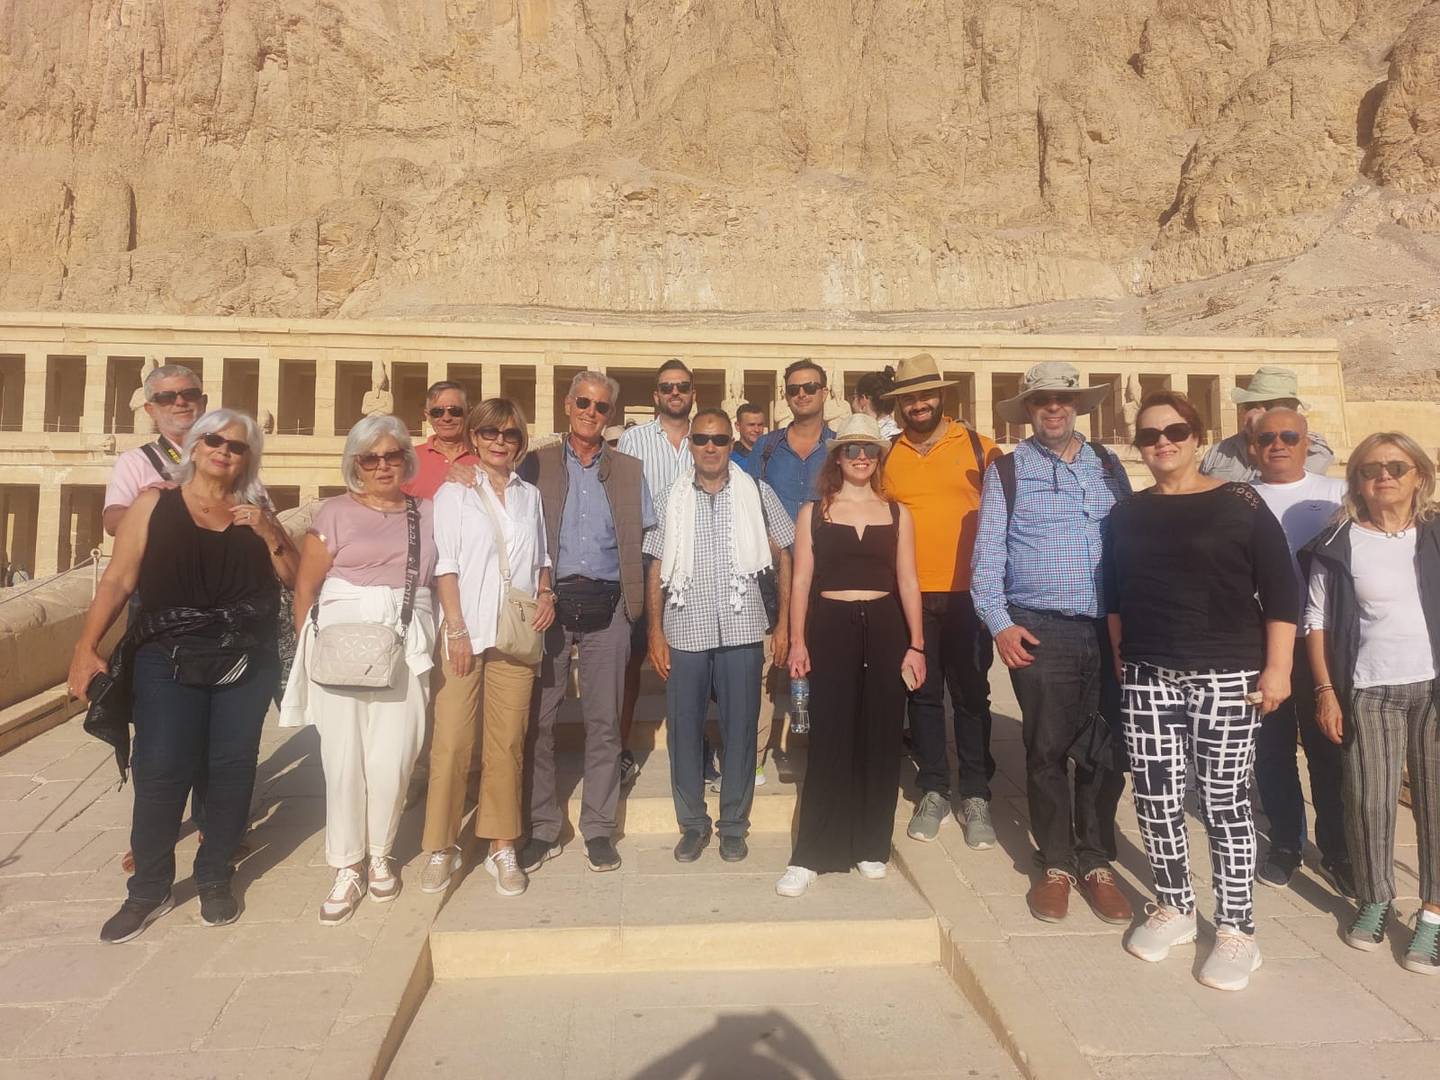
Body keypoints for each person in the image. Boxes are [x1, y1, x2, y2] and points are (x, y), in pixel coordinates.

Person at [68, 409, 297, 942]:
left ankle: (215, 874)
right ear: (194, 446)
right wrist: (85, 646)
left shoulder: (256, 512)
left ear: (248, 458)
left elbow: (292, 576)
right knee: (161, 768)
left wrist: (269, 531)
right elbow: (118, 579)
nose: (224, 451)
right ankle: (148, 889)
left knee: (231, 768)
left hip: (243, 656)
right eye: (214, 440)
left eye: (237, 446)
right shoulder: (153, 504)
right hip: (166, 652)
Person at [1105, 390, 1298, 992]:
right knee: (1155, 795)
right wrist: (1121, 659)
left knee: (1223, 801)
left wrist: (1278, 669)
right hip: (1149, 671)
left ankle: (1238, 930)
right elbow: (1114, 594)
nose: (1162, 443)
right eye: (1149, 435)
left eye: (1175, 432)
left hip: (1225, 670)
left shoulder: (1240, 501)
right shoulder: (1127, 512)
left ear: (1197, 437)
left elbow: (1282, 590)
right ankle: (1176, 905)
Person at [971, 363, 1133, 924]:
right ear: (1029, 411)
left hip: (1109, 626)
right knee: (1046, 750)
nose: (1054, 409)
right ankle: (1057, 863)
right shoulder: (1008, 471)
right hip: (1042, 626)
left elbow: (1130, 544)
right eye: (1042, 401)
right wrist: (1000, 623)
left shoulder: (1107, 465)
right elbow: (988, 557)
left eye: (1063, 399)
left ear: (1078, 406)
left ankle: (1097, 859)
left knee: (1107, 749)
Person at [283, 416, 439, 925]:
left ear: (406, 460)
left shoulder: (427, 513)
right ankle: (347, 864)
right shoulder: (333, 512)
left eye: (392, 456)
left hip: (404, 639)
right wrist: (308, 653)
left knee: (394, 757)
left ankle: (380, 854)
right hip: (340, 644)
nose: (382, 466)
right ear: (355, 464)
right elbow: (305, 589)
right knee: (343, 759)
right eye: (371, 458)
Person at [1302, 432, 1440, 975]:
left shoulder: (1435, 533)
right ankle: (1376, 897)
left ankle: (1433, 914)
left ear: (1419, 475)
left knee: (1436, 803)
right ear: (1356, 479)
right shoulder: (1339, 542)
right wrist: (1325, 691)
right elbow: (1316, 620)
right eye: (1370, 468)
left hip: (1434, 688)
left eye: (1397, 467)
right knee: (1369, 801)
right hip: (1369, 688)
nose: (1384, 476)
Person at [776, 414, 926, 896]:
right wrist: (798, 641)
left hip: (885, 627)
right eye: (851, 450)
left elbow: (908, 580)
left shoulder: (898, 514)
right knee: (830, 736)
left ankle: (870, 843)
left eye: (869, 450)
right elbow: (801, 580)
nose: (861, 458)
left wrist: (917, 644)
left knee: (880, 735)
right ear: (837, 457)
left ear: (878, 457)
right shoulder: (813, 512)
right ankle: (812, 854)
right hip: (830, 627)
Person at [417, 400, 554, 896]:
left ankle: (501, 844)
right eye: (491, 432)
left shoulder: (528, 495)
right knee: (452, 740)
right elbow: (446, 565)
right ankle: (441, 845)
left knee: (507, 741)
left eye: (510, 434)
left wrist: (546, 593)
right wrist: (455, 630)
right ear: (474, 438)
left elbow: (541, 558)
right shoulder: (455, 491)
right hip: (467, 631)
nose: (500, 441)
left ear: (520, 441)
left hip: (514, 632)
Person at [645, 408, 794, 863]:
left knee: (741, 730)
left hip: (743, 627)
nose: (710, 447)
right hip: (685, 629)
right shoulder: (670, 497)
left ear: (732, 444)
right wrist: (655, 631)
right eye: (702, 439)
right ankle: (692, 824)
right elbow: (656, 565)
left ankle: (732, 825)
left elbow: (786, 553)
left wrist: (784, 624)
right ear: (690, 444)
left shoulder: (757, 492)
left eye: (719, 439)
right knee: (684, 731)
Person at [518, 371, 652, 875]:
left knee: (604, 721)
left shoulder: (629, 471)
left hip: (608, 604)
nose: (591, 412)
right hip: (549, 604)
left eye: (601, 406)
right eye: (583, 402)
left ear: (610, 415)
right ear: (567, 404)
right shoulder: (537, 463)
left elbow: (644, 537)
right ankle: (542, 826)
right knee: (540, 721)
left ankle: (598, 827)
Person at [881, 353, 1002, 849]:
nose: (918, 404)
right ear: (900, 404)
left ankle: (976, 793)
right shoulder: (888, 455)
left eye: (926, 394)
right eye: (909, 397)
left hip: (970, 592)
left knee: (972, 696)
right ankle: (933, 787)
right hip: (911, 594)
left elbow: (1008, 518)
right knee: (923, 693)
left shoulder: (980, 447)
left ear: (941, 396)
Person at [1247, 408, 1353, 895]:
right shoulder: (1239, 498)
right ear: (1253, 447)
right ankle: (1286, 843)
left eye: (1289, 436)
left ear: (1307, 441)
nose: (1278, 444)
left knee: (1327, 747)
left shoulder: (1336, 494)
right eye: (1267, 437)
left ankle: (1338, 850)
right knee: (1271, 749)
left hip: (1320, 640)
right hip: (1260, 639)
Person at [742, 361, 837, 774]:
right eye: (795, 388)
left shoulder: (840, 447)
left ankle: (822, 753)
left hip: (826, 572)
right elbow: (745, 499)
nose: (802, 394)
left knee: (825, 663)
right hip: (773, 574)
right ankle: (753, 758)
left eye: (810, 387)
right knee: (766, 668)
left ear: (825, 392)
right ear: (785, 395)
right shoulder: (766, 448)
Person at [617, 360, 695, 787]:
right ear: (655, 395)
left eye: (682, 386)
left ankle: (696, 747)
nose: (675, 392)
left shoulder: (707, 436)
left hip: (696, 563)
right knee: (632, 657)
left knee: (695, 658)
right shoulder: (634, 440)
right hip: (646, 559)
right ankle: (620, 748)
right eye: (667, 387)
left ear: (693, 392)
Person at [102, 364, 207, 537]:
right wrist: (153, 502)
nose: (180, 402)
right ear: (150, 410)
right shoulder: (135, 460)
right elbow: (112, 523)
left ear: (203, 403)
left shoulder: (229, 453)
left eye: (189, 394)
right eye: (166, 398)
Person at [1200, 366, 1334, 482]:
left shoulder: (1309, 447)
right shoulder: (1220, 451)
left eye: (1269, 407)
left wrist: (1262, 438)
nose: (1256, 414)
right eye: (1250, 405)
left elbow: (1287, 484)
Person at [403, 381, 479, 500]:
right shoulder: (408, 459)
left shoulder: (485, 458)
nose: (446, 418)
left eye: (455, 411)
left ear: (469, 412)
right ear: (428, 416)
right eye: (437, 412)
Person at [850, 367, 900, 440]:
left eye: (854, 397)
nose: (853, 404)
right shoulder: (899, 437)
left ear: (863, 399)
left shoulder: (866, 440)